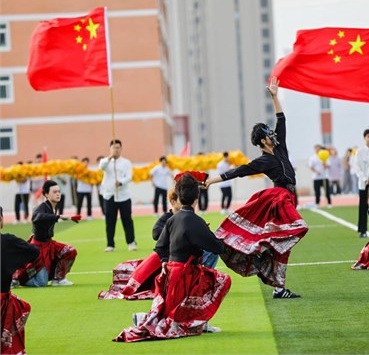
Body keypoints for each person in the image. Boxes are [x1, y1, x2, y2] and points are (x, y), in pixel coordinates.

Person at [204, 77, 309, 299]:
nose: (271, 133)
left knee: (284, 246)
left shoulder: (280, 147)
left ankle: (278, 286)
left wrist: (274, 96)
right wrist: (212, 180)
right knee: (298, 228)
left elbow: (282, 119)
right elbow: (239, 171)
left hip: (289, 196)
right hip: (279, 197)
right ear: (262, 141)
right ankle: (261, 250)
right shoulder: (263, 160)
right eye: (267, 133)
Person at [114, 174, 231, 341]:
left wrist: (163, 263)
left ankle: (144, 319)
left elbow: (159, 246)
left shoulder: (172, 220)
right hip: (187, 275)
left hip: (170, 274)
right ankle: (199, 321)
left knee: (168, 311)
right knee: (222, 280)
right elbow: (217, 247)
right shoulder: (196, 221)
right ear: (196, 198)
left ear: (179, 197)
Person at [12, 180, 79, 287]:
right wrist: (59, 217)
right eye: (54, 192)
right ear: (46, 194)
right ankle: (18, 280)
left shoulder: (54, 206)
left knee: (70, 251)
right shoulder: (41, 207)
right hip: (38, 249)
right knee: (41, 283)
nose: (58, 194)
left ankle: (59, 279)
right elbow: (36, 217)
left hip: (49, 244)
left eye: (59, 191)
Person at [1, 206, 40, 355]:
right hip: (2, 298)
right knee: (22, 308)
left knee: (22, 306)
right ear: (1, 221)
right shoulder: (8, 241)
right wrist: (14, 262)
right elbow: (34, 251)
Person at [99, 140, 137, 252]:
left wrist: (121, 182)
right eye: (114, 147)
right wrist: (111, 157)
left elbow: (129, 176)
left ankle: (131, 242)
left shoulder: (126, 162)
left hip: (123, 196)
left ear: (121, 149)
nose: (116, 149)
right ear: (110, 149)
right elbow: (101, 167)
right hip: (109, 195)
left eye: (118, 147)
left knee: (127, 220)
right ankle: (110, 244)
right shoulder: (105, 161)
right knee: (110, 221)